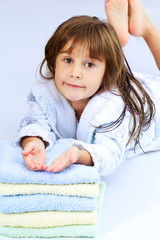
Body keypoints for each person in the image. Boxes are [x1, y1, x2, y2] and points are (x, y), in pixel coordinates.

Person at [15, 0, 160, 176]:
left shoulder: (112, 107)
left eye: (89, 64)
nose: (75, 73)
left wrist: (79, 155)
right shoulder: (46, 95)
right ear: (54, 62)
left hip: (152, 100)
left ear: (107, 74)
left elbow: (110, 154)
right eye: (68, 60)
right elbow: (34, 124)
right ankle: (113, 42)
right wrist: (34, 142)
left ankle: (146, 28)